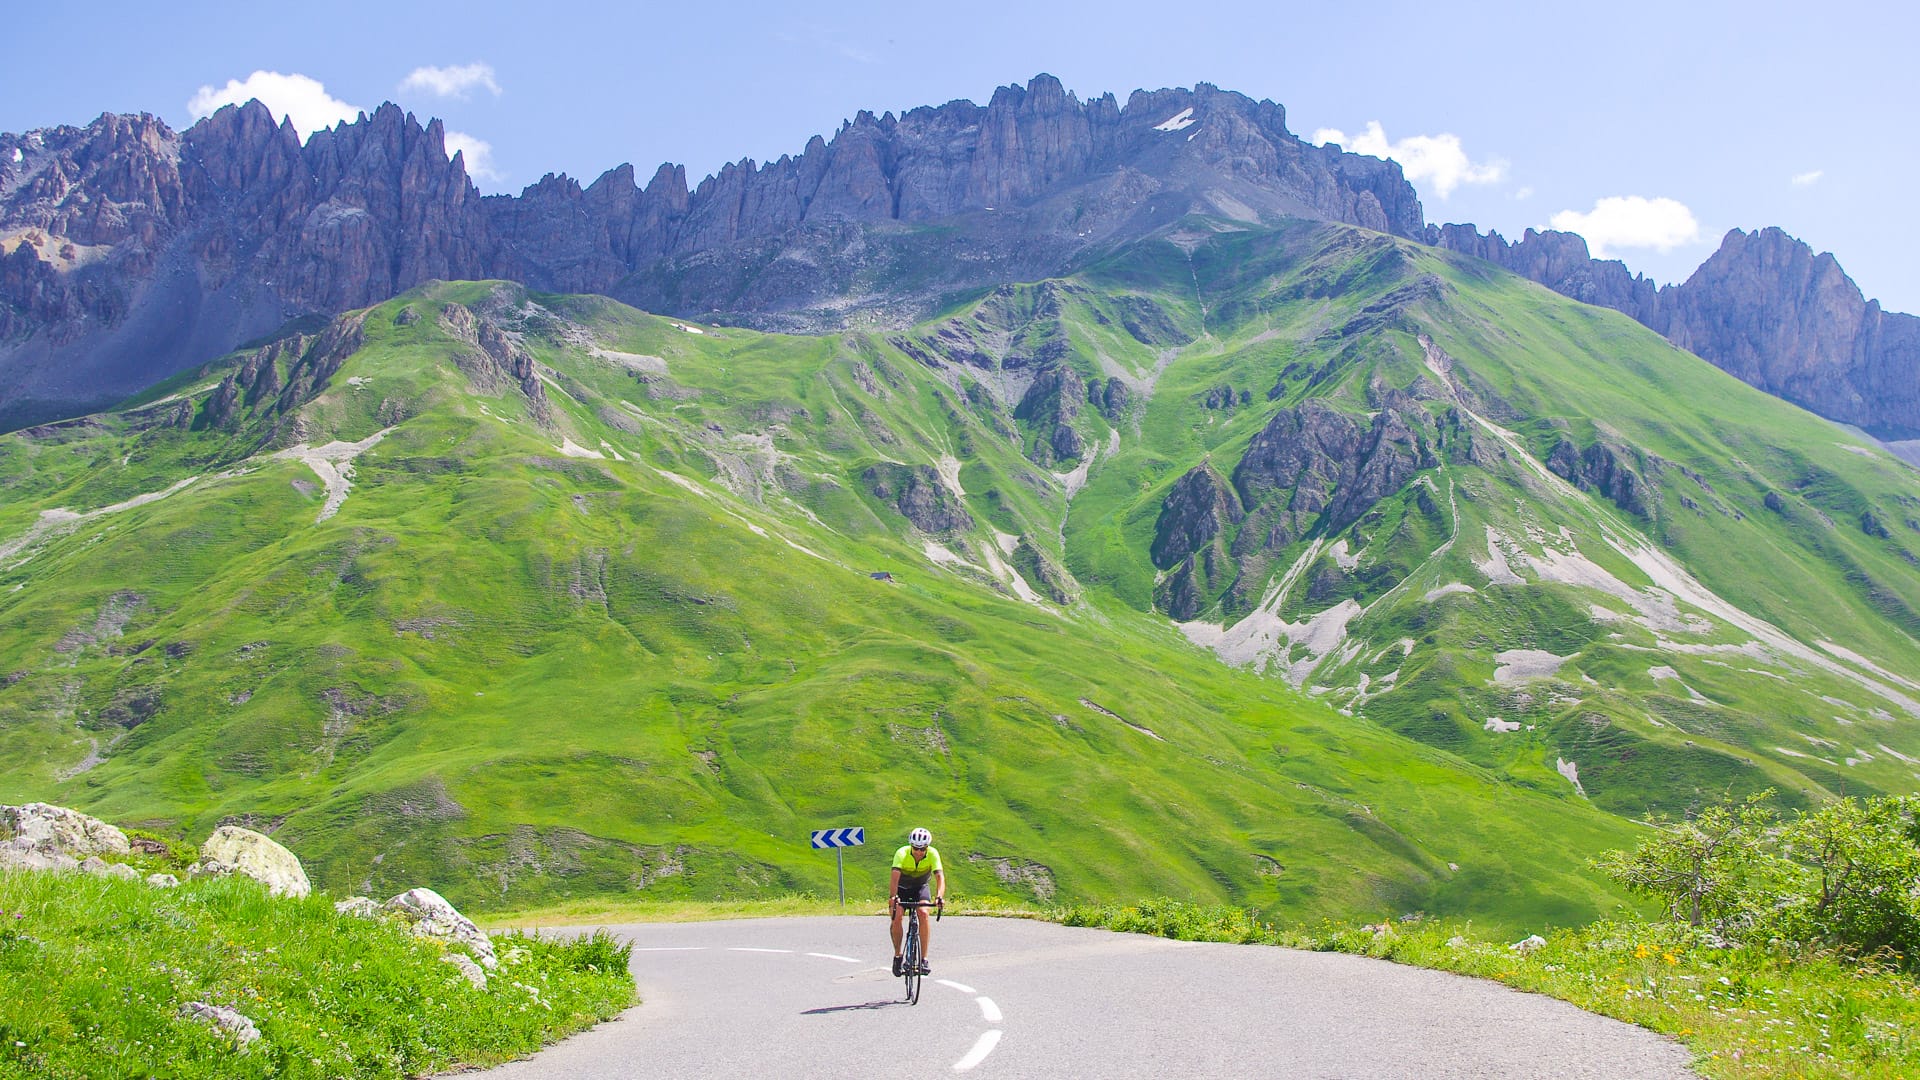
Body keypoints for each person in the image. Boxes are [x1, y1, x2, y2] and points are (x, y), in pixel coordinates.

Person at [889, 826, 944, 976]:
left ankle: (924, 959)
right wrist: (893, 897)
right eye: (916, 848)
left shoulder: (933, 854)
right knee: (897, 916)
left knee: (924, 913)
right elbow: (894, 876)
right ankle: (898, 955)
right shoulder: (901, 853)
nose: (919, 852)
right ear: (911, 846)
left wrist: (939, 896)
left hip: (920, 887)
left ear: (927, 847)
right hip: (902, 888)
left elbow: (940, 877)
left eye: (923, 849)